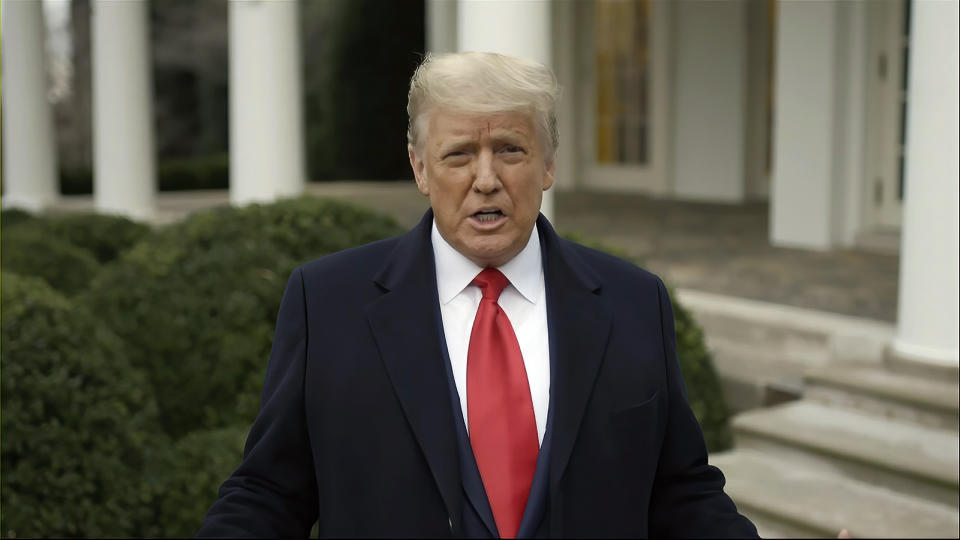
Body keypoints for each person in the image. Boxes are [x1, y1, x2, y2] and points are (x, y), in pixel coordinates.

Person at [198, 51, 759, 538]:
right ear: (420, 168)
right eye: (459, 154)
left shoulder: (635, 302)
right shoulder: (327, 304)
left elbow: (681, 493)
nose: (486, 178)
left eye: (511, 150)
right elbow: (270, 492)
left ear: (548, 163)